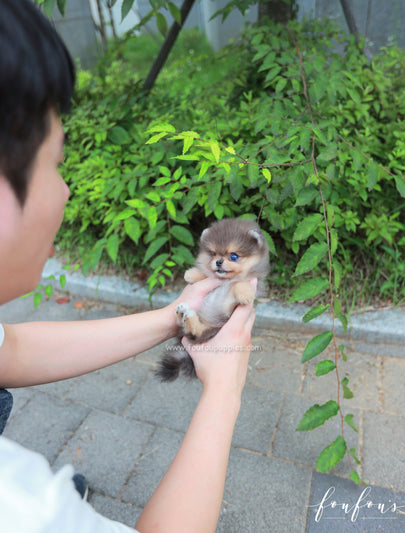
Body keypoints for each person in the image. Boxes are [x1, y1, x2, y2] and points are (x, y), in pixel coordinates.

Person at [0, 1, 256, 532]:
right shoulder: (17, 506)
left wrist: (174, 315)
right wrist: (224, 390)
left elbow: (9, 350)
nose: (66, 191)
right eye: (55, 163)